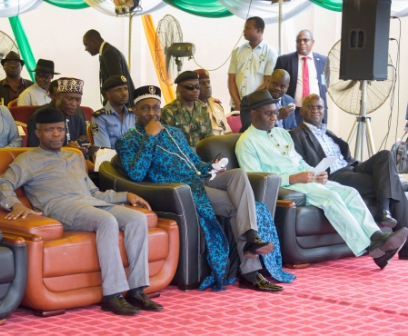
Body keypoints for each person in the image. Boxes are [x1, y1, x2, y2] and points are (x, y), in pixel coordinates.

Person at [116, 85, 296, 292]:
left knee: (238, 174)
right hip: (182, 188)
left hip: (201, 179)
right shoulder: (127, 141)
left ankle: (252, 237)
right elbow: (136, 173)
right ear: (135, 111)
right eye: (145, 108)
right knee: (242, 208)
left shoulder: (173, 132)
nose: (151, 113)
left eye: (155, 108)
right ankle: (250, 270)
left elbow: (195, 163)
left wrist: (213, 165)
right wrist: (149, 137)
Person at [0, 107, 163, 316]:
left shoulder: (73, 157)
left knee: (136, 218)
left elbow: (92, 192)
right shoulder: (27, 160)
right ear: (38, 133)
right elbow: (1, 184)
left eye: (60, 129)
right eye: (50, 130)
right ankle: (113, 294)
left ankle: (137, 289)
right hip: (59, 207)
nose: (56, 134)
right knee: (106, 221)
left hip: (87, 202)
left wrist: (126, 196)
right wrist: (15, 204)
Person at [235, 89, 408, 270]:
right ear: (253, 113)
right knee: (330, 198)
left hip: (306, 179)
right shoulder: (246, 142)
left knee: (350, 192)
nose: (274, 118)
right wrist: (293, 178)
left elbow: (299, 161)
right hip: (290, 186)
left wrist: (316, 172)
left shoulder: (281, 133)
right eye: (268, 113)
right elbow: (254, 178)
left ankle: (376, 238)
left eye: (275, 113)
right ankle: (373, 244)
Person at [290, 93, 408, 260]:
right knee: (392, 180)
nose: (316, 110)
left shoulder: (327, 132)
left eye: (319, 107)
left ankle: (385, 210)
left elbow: (346, 156)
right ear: (301, 111)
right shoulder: (295, 134)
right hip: (333, 176)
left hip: (351, 167)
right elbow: (300, 163)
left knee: (386, 155)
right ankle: (387, 215)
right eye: (311, 107)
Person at [274, 30, 328, 125]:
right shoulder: (285, 60)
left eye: (305, 40)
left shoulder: (323, 60)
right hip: (294, 110)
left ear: (312, 42)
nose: (301, 43)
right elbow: (276, 85)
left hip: (315, 111)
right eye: (298, 41)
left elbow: (325, 84)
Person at [228, 16, 278, 111]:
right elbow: (231, 80)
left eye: (247, 28)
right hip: (237, 105)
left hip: (257, 105)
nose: (244, 31)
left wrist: (249, 101)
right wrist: (238, 102)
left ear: (258, 30)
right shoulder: (237, 51)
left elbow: (268, 81)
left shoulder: (270, 52)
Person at [27, 77, 87, 155]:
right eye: (69, 99)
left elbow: (84, 142)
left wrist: (84, 150)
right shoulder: (41, 116)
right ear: (58, 96)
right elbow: (33, 150)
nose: (74, 104)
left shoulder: (79, 117)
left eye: (78, 100)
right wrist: (64, 150)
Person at [161, 71, 213, 148]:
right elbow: (169, 142)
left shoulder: (203, 109)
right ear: (179, 89)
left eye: (198, 87)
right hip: (180, 156)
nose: (195, 90)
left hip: (201, 156)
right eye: (190, 87)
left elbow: (209, 138)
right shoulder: (170, 111)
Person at [83, 29, 135, 106]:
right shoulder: (108, 50)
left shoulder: (108, 53)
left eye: (86, 45)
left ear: (93, 42)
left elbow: (118, 83)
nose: (86, 49)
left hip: (121, 105)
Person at [90, 75, 135, 148]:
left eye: (126, 89)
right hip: (111, 158)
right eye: (118, 90)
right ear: (108, 94)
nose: (124, 93)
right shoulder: (100, 118)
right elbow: (104, 149)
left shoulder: (133, 114)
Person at [193, 69, 232, 136]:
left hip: (222, 142)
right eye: (202, 83)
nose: (207, 86)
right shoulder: (191, 108)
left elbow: (227, 131)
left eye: (208, 82)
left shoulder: (216, 105)